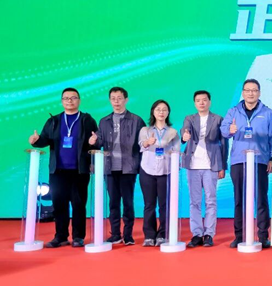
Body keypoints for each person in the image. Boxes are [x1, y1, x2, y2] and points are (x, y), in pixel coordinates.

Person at [29, 88, 98, 248]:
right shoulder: (54, 121)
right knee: (59, 204)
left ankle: (78, 237)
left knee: (78, 204)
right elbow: (44, 140)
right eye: (66, 98)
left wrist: (93, 158)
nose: (69, 101)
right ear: (62, 101)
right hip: (58, 171)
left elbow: (94, 142)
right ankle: (60, 236)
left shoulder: (87, 120)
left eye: (73, 98)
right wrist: (35, 140)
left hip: (79, 170)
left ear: (79, 100)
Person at [221, 79, 272, 249]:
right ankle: (239, 236)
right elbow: (223, 131)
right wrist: (229, 130)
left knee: (261, 199)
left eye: (254, 90)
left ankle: (263, 236)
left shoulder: (267, 113)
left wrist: (271, 158)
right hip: (239, 160)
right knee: (239, 199)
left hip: (260, 160)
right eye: (247, 90)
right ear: (243, 93)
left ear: (259, 93)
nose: (251, 93)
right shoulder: (233, 111)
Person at [88, 87, 146, 245]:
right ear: (109, 100)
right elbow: (100, 142)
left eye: (119, 98)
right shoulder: (104, 121)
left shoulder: (136, 120)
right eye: (113, 98)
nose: (116, 101)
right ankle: (115, 234)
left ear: (126, 100)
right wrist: (93, 141)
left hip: (128, 167)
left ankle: (128, 235)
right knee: (113, 202)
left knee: (128, 202)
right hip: (109, 167)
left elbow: (143, 143)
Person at [181, 90, 228, 248]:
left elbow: (224, 143)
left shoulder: (218, 119)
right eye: (198, 100)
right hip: (193, 165)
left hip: (211, 165)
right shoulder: (189, 118)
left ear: (209, 102)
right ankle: (197, 234)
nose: (201, 103)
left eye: (204, 100)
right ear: (195, 103)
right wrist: (185, 136)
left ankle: (209, 234)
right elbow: (185, 130)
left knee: (210, 201)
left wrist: (222, 166)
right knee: (194, 202)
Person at [138, 100, 180, 247]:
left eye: (164, 110)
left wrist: (166, 144)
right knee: (149, 204)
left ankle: (163, 234)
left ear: (168, 113)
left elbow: (176, 151)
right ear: (153, 112)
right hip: (147, 170)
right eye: (158, 109)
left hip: (166, 171)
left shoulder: (173, 132)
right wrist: (148, 142)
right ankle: (149, 236)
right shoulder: (145, 130)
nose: (161, 112)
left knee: (164, 205)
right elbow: (141, 145)